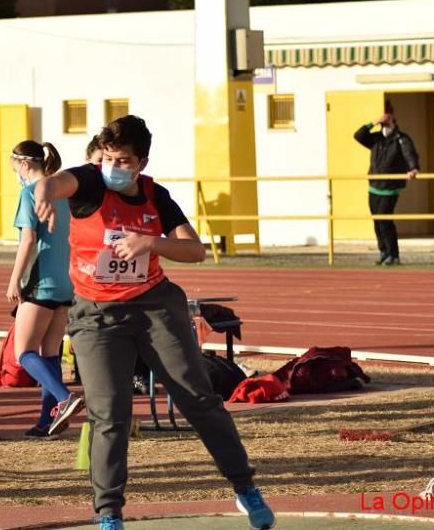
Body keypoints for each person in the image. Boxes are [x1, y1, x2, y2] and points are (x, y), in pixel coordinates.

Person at [34, 115, 275, 530]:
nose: (112, 165)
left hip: (154, 306)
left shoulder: (154, 196)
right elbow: (56, 183)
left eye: (122, 159)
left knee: (197, 398)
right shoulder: (90, 182)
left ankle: (244, 487)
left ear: (141, 162)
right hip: (97, 315)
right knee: (109, 413)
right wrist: (42, 192)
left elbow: (194, 250)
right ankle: (109, 514)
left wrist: (150, 242)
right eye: (107, 156)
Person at [5, 140, 82, 438]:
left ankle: (65, 399)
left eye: (14, 166)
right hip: (65, 283)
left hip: (41, 283)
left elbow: (27, 241)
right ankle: (45, 422)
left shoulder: (29, 193)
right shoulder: (63, 195)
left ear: (24, 164)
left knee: (23, 352)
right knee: (50, 354)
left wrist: (14, 279)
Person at [353, 110, 420, 266]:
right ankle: (383, 252)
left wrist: (413, 169)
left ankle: (393, 255)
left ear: (394, 123)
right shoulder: (376, 138)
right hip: (374, 186)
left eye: (387, 122)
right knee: (377, 221)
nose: (384, 125)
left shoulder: (401, 139)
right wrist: (374, 122)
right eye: (382, 123)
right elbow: (358, 135)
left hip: (390, 187)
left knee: (384, 220)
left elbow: (410, 154)